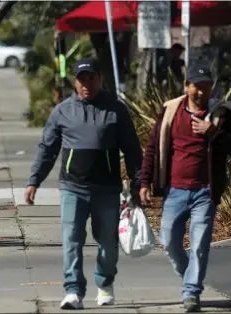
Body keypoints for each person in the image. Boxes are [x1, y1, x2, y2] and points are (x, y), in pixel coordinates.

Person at [24, 58, 143, 310]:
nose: (86, 83)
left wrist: (138, 181)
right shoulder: (63, 111)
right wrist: (34, 180)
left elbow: (132, 149)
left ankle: (105, 284)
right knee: (72, 240)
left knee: (108, 243)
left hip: (107, 189)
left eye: (91, 78)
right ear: (75, 82)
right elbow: (47, 149)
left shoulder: (115, 109)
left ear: (99, 79)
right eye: (81, 79)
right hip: (72, 188)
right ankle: (73, 291)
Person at [139, 66, 231, 312]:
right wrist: (144, 182)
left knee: (198, 245)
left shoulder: (220, 114)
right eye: (196, 85)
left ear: (211, 88)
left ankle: (191, 293)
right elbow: (153, 148)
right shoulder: (171, 111)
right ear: (186, 86)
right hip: (174, 190)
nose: (200, 91)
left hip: (205, 193)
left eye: (205, 86)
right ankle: (190, 276)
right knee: (169, 241)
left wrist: (213, 133)